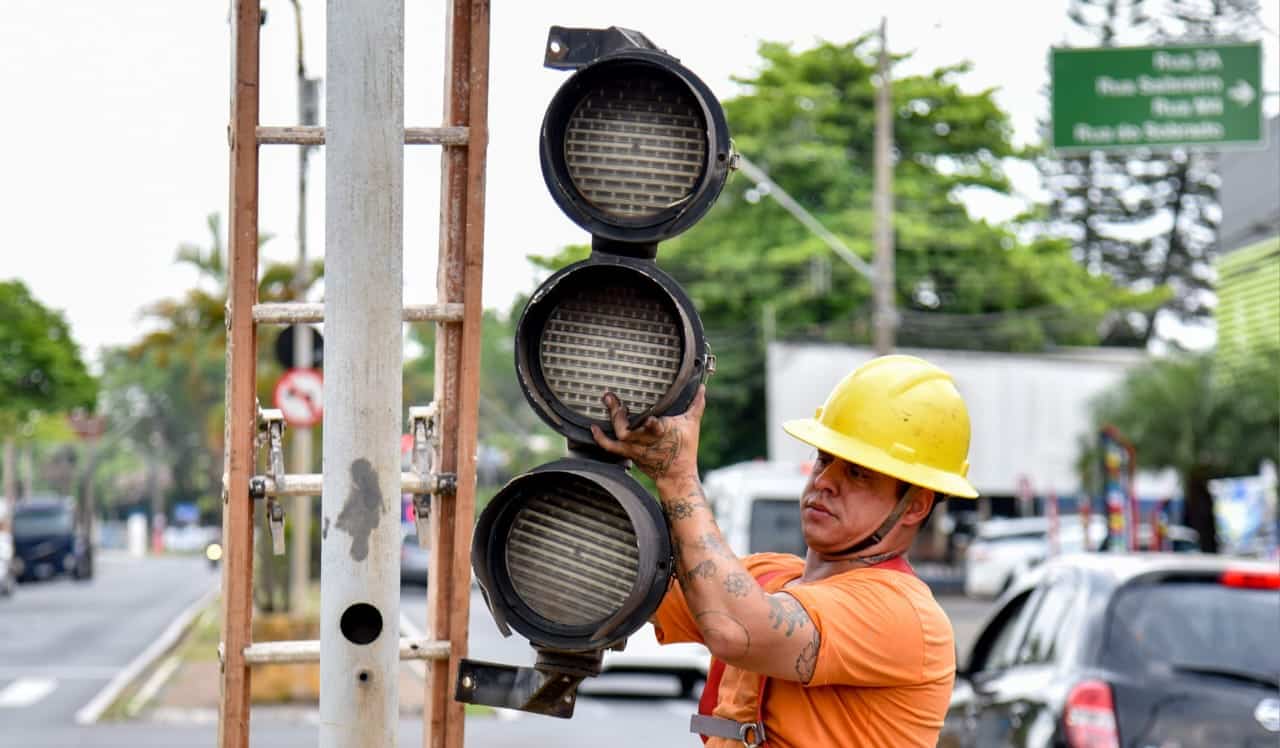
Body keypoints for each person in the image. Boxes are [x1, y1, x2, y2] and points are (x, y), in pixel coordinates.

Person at [591, 354, 978, 748]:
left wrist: (677, 477)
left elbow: (735, 629)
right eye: (824, 459)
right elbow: (615, 582)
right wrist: (603, 449)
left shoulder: (905, 616)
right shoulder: (770, 577)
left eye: (858, 473)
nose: (824, 481)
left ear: (914, 506)